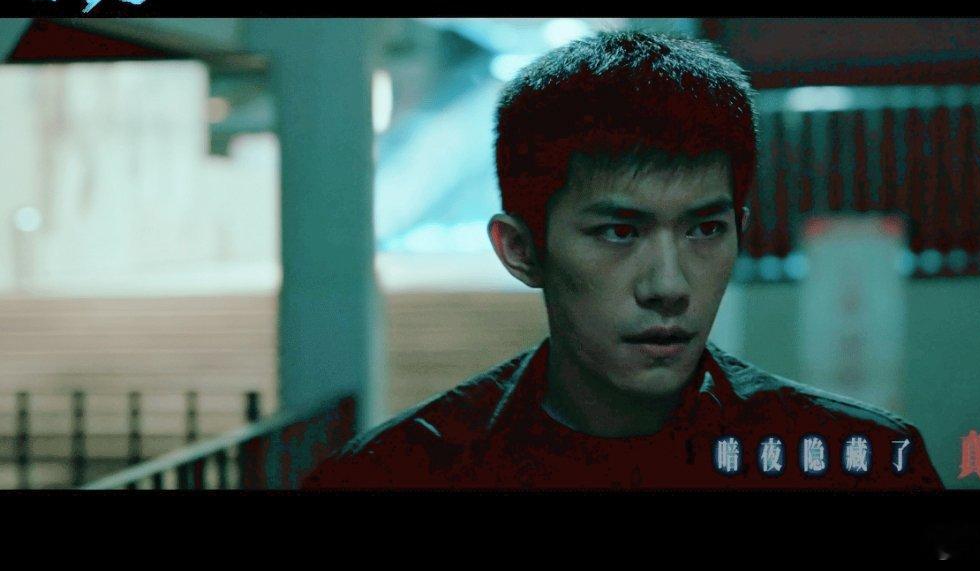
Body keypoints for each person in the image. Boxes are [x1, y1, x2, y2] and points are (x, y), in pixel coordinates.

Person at [302, 31, 945, 490]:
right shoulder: (399, 473)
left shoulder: (858, 463)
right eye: (618, 232)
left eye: (705, 230)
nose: (669, 285)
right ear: (520, 251)